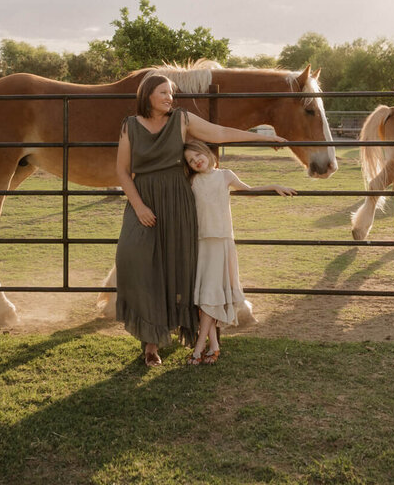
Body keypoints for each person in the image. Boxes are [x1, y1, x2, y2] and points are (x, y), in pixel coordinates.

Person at [114, 73, 288, 367]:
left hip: (178, 202)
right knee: (134, 261)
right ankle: (150, 335)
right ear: (147, 95)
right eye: (163, 93)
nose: (170, 98)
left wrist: (263, 137)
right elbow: (121, 170)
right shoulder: (130, 126)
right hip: (142, 199)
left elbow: (219, 133)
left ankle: (154, 345)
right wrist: (139, 206)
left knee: (175, 268)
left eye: (171, 93)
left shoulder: (182, 120)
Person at [182, 138, 296, 365]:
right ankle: (213, 346)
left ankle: (199, 348)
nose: (196, 161)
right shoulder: (192, 182)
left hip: (221, 242)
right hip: (200, 243)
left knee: (209, 297)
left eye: (198, 155)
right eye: (191, 160)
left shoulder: (225, 175)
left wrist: (273, 186)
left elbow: (249, 190)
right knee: (205, 297)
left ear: (207, 152)